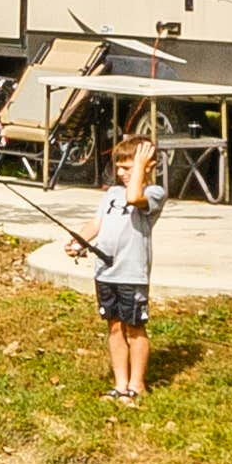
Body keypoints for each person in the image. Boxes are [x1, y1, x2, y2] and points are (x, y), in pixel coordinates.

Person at [88, 130, 164, 403]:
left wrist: (142, 169)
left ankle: (137, 384)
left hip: (132, 274)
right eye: (118, 166)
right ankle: (120, 384)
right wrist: (79, 241)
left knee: (134, 329)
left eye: (128, 167)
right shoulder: (111, 194)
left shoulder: (154, 193)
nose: (121, 172)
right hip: (106, 273)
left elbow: (134, 199)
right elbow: (97, 224)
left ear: (148, 167)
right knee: (115, 327)